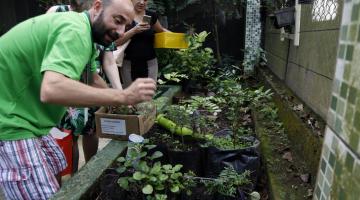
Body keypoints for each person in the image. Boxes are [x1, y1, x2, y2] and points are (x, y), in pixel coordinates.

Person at [0, 0, 156, 199]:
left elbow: (93, 79)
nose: (120, 31)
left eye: (125, 26)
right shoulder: (75, 30)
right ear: (97, 7)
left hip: (26, 117)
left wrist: (126, 101)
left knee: (56, 162)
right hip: (9, 120)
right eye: (117, 20)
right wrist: (122, 95)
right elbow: (52, 89)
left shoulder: (87, 36)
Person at [47, 0, 123, 174]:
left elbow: (109, 61)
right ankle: (72, 177)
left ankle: (89, 173)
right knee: (67, 134)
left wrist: (118, 91)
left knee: (91, 130)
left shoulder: (104, 15)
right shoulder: (56, 12)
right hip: (65, 82)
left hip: (93, 82)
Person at [116, 0, 168, 88]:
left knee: (148, 93)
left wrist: (179, 38)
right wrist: (134, 31)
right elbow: (116, 42)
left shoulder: (151, 15)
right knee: (130, 95)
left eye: (145, 0)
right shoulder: (124, 16)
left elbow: (161, 31)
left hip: (150, 63)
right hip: (128, 64)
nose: (142, 2)